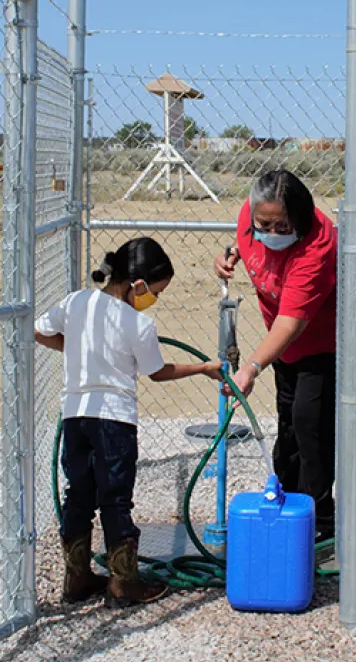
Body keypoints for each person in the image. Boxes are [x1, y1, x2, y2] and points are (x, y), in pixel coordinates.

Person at [36, 236, 222, 607]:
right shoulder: (138, 324)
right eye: (156, 291)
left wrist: (76, 347)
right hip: (115, 422)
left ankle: (76, 579)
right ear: (137, 285)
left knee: (78, 494)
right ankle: (124, 584)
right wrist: (203, 368)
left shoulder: (76, 302)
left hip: (76, 416)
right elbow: (157, 371)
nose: (154, 298)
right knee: (115, 500)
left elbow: (40, 330)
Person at [213, 169, 338, 543]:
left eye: (281, 226)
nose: (270, 231)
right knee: (288, 420)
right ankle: (287, 504)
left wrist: (251, 368)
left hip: (323, 340)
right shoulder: (252, 218)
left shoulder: (317, 245)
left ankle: (321, 524)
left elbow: (290, 323)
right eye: (263, 224)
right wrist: (230, 255)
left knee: (309, 423)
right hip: (282, 344)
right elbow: (245, 243)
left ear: (299, 219)